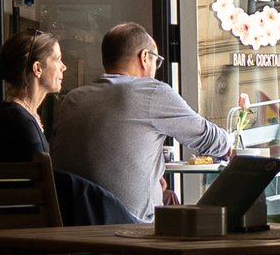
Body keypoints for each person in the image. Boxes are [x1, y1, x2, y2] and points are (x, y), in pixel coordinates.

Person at [48, 22, 232, 221]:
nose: (156, 69)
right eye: (156, 61)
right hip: (127, 230)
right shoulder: (151, 91)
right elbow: (211, 140)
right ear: (144, 57)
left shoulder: (73, 99)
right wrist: (231, 144)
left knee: (169, 198)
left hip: (72, 227)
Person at [0, 30, 63, 163]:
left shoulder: (16, 116)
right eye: (58, 60)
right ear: (37, 68)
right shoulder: (20, 123)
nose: (63, 67)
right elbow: (45, 177)